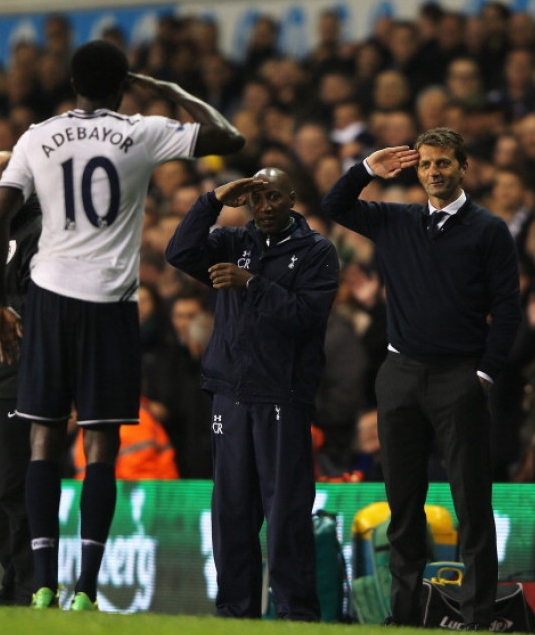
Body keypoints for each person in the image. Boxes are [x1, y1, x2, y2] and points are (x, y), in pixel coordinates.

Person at [0, 39, 244, 611]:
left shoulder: (37, 136)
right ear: (122, 84)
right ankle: (87, 588)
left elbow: (3, 211)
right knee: (100, 443)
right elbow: (228, 136)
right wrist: (167, 89)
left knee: (42, 436)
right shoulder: (143, 131)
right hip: (110, 302)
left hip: (49, 298)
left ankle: (43, 583)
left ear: (72, 83)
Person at [321, 127, 522, 629]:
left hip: (460, 376)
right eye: (427, 163)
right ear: (417, 170)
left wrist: (484, 374)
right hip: (400, 375)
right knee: (402, 501)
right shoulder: (396, 219)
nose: (434, 171)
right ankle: (406, 615)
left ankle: (477, 616)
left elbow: (508, 311)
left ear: (463, 167)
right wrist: (367, 168)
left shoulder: (489, 229)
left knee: (471, 501)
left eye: (444, 162)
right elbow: (334, 204)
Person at [165, 167, 339, 620]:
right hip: (230, 394)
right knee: (232, 512)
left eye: (274, 197)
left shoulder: (317, 251)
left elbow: (306, 316)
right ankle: (234, 613)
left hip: (282, 395)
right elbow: (179, 251)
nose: (264, 207)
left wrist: (252, 284)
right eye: (257, 198)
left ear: (293, 198)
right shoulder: (231, 242)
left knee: (286, 513)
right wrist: (213, 200)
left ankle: (296, 615)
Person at [0, 151, 41, 606]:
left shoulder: (40, 230)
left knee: (13, 484)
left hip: (20, 369)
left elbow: (42, 300)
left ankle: (29, 587)